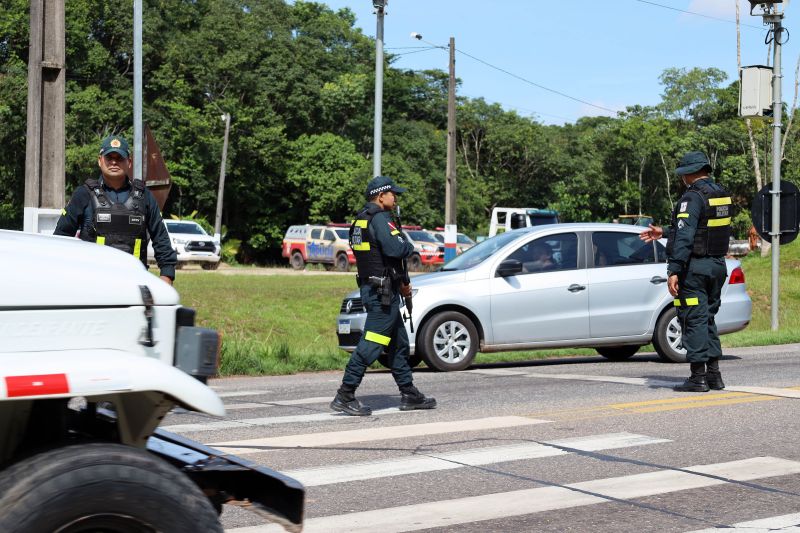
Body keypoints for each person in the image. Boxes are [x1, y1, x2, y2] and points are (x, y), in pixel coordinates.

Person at [330, 176, 437, 416]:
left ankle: (409, 393)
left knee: (399, 344)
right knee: (372, 344)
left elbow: (380, 258)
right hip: (382, 295)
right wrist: (410, 246)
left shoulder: (360, 220)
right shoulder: (380, 219)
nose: (395, 197)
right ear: (381, 196)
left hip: (378, 288)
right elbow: (395, 249)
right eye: (392, 194)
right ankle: (345, 394)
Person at [640, 151, 732, 392]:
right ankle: (714, 375)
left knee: (693, 319)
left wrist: (674, 270)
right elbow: (703, 230)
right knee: (706, 318)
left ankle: (697, 378)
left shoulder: (691, 198)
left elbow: (686, 238)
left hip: (695, 268)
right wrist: (666, 232)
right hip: (717, 267)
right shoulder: (720, 195)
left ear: (688, 174)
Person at [54, 135, 177, 284]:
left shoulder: (144, 196)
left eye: (119, 158)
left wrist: (167, 275)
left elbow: (160, 237)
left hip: (136, 281)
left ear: (129, 162)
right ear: (100, 161)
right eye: (109, 157)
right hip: (92, 282)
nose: (114, 162)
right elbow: (61, 238)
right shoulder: (84, 194)